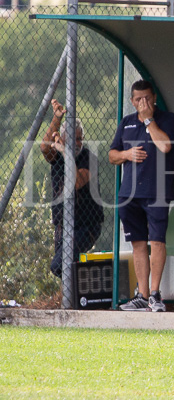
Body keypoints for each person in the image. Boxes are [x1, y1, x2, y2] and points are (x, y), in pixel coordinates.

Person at [110, 80, 174, 312]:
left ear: (154, 98)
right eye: (139, 99)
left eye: (147, 98)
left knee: (157, 240)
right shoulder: (126, 122)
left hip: (157, 192)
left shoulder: (168, 119)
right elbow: (112, 155)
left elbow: (165, 146)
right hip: (129, 194)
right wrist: (126, 154)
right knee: (137, 242)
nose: (143, 102)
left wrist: (149, 120)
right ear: (132, 101)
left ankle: (155, 295)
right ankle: (142, 294)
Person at [40, 99, 104, 278]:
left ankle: (89, 283)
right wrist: (57, 118)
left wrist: (65, 152)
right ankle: (76, 293)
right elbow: (44, 147)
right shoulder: (57, 156)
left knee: (58, 266)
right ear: (62, 138)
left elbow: (75, 182)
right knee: (67, 270)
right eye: (72, 138)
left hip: (86, 226)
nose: (77, 143)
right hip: (63, 225)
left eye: (79, 139)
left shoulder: (88, 158)